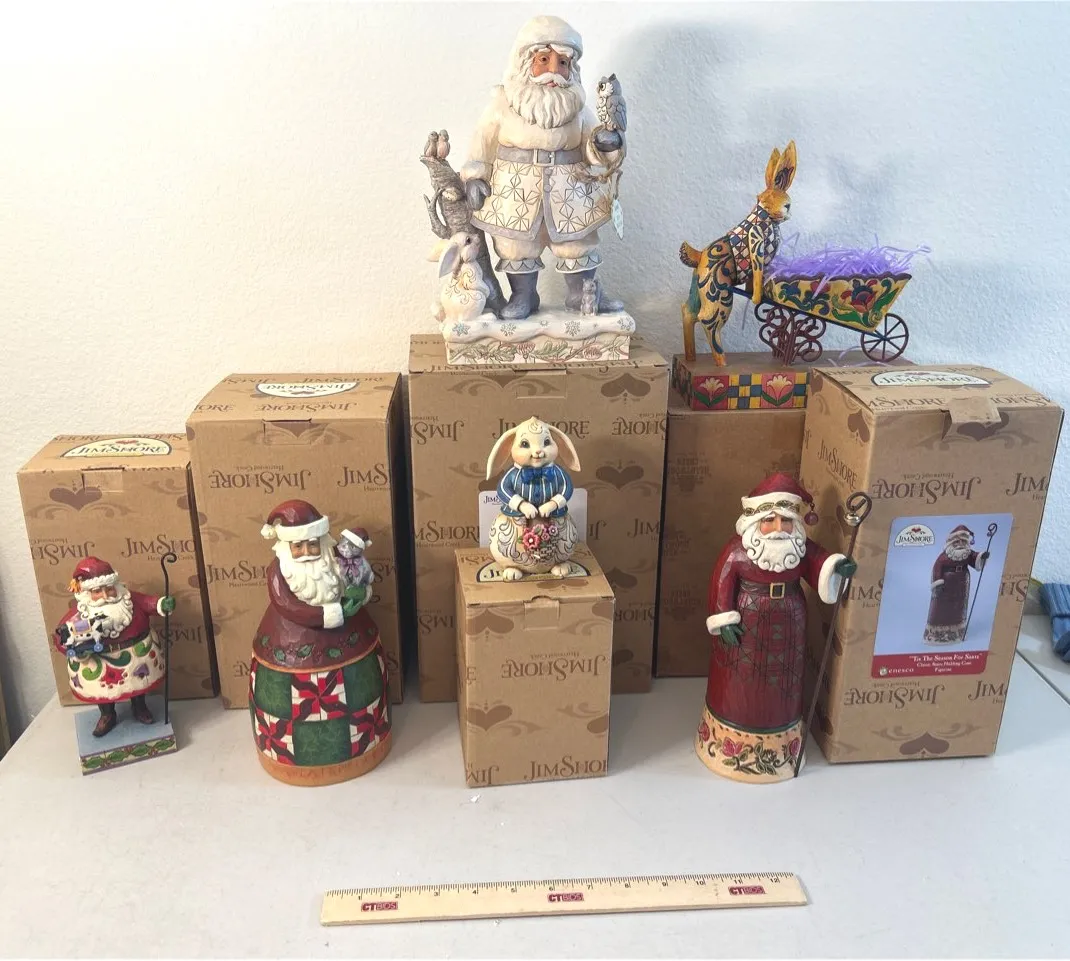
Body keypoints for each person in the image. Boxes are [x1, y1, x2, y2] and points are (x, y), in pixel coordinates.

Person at [696, 474, 857, 783]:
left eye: (786, 521)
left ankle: (782, 748)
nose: (779, 528)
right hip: (746, 624)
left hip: (790, 622)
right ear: (755, 521)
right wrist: (724, 618)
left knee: (784, 684)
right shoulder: (737, 551)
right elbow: (721, 583)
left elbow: (819, 563)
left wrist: (837, 567)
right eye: (770, 520)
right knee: (740, 684)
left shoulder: (800, 549)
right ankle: (729, 742)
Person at [461, 15, 624, 319]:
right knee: (516, 244)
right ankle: (523, 295)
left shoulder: (577, 108)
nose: (554, 71)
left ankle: (582, 293)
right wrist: (475, 175)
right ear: (526, 62)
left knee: (577, 242)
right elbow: (482, 140)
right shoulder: (503, 103)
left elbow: (593, 146)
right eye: (544, 60)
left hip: (569, 190)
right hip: (516, 190)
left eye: (562, 63)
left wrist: (605, 143)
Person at [54, 557, 175, 737]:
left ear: (116, 586)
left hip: (136, 658)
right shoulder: (80, 614)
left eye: (109, 589)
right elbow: (62, 636)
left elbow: (148, 602)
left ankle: (139, 707)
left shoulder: (128, 600)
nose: (105, 596)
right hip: (100, 663)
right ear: (86, 593)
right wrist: (72, 648)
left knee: (137, 686)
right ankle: (107, 715)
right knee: (103, 693)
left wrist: (161, 604)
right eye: (97, 591)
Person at [923, 525, 989, 645]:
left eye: (963, 541)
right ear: (951, 542)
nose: (960, 544)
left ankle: (956, 632)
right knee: (941, 608)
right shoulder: (944, 556)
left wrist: (982, 557)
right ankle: (937, 634)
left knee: (958, 608)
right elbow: (937, 568)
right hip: (946, 585)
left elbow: (975, 559)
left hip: (961, 584)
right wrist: (938, 583)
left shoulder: (967, 554)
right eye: (957, 541)